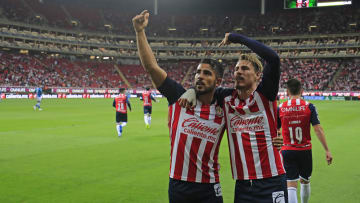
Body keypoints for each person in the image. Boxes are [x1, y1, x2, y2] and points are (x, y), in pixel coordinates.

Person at [181, 32, 287, 203]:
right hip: (243, 185)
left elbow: (273, 58)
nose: (239, 72)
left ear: (258, 75)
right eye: (237, 69)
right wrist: (191, 90)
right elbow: (204, 88)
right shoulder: (226, 98)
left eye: (245, 68)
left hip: (272, 181)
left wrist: (237, 38)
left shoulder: (265, 95)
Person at [133, 10, 226, 203]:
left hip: (209, 186)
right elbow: (151, 67)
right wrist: (140, 32)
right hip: (179, 184)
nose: (200, 76)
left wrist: (277, 133)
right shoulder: (178, 96)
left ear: (218, 81)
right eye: (198, 72)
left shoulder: (225, 106)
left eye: (207, 73)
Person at [278, 78, 333, 203]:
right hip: (305, 150)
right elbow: (318, 129)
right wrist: (327, 150)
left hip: (287, 150)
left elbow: (275, 131)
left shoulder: (280, 108)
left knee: (291, 184)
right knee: (305, 181)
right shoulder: (309, 107)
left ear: (287, 92)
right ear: (302, 91)